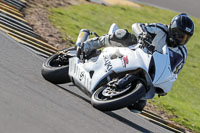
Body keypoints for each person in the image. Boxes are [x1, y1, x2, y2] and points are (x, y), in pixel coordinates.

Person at [79, 13, 194, 113]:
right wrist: (143, 33)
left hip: (151, 70)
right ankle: (88, 45)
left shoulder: (182, 52)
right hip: (136, 50)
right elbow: (137, 25)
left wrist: (166, 82)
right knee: (121, 35)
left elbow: (175, 71)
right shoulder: (160, 29)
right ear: (172, 29)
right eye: (179, 34)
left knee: (138, 106)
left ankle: (120, 88)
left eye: (185, 37)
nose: (181, 39)